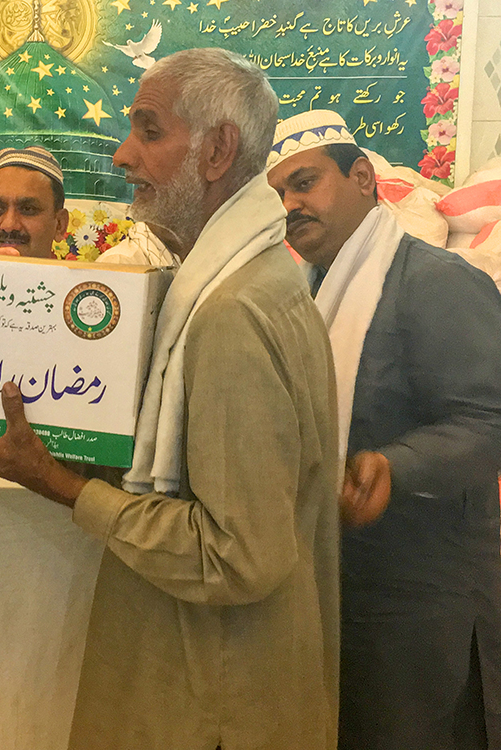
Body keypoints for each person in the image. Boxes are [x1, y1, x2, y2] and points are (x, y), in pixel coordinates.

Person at [0, 48, 341, 749]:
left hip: (210, 696)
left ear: (217, 151)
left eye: (149, 131)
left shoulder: (229, 313)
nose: (124, 155)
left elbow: (237, 556)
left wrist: (60, 484)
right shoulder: (240, 278)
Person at [267, 109, 501, 749]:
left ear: (363, 177)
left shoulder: (436, 282)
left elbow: (489, 419)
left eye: (305, 183)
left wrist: (397, 467)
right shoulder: (307, 294)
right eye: (279, 194)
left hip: (426, 612)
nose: (290, 205)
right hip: (343, 596)